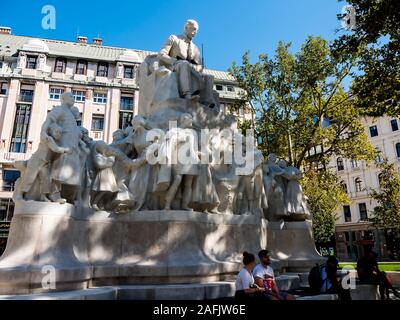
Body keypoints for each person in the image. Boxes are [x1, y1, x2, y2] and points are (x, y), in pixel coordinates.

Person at [158, 19, 215, 108]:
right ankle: (187, 94)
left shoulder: (195, 48)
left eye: (197, 30)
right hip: (175, 66)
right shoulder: (174, 38)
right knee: (184, 64)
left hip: (190, 68)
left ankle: (207, 102)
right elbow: (161, 54)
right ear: (186, 28)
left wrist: (197, 67)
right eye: (194, 29)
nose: (195, 32)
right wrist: (175, 61)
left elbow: (199, 65)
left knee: (209, 77)